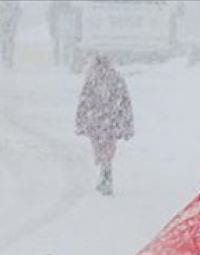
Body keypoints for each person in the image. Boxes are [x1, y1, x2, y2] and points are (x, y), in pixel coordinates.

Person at [74, 55, 134, 196]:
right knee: (108, 148)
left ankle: (105, 170)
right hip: (110, 121)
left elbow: (84, 102)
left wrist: (81, 121)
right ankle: (106, 169)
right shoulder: (116, 79)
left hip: (97, 122)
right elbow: (125, 103)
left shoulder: (92, 79)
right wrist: (126, 123)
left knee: (100, 148)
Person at [0, 0, 20, 68]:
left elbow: (18, 13)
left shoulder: (14, 3)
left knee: (9, 43)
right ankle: (5, 59)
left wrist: (13, 24)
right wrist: (1, 22)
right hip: (3, 27)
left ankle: (9, 60)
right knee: (4, 43)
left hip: (11, 27)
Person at [47, 0, 73, 68]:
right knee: (59, 43)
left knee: (62, 44)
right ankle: (59, 61)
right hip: (59, 26)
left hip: (63, 26)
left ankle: (62, 61)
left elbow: (50, 15)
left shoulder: (56, 3)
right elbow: (50, 15)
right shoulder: (55, 4)